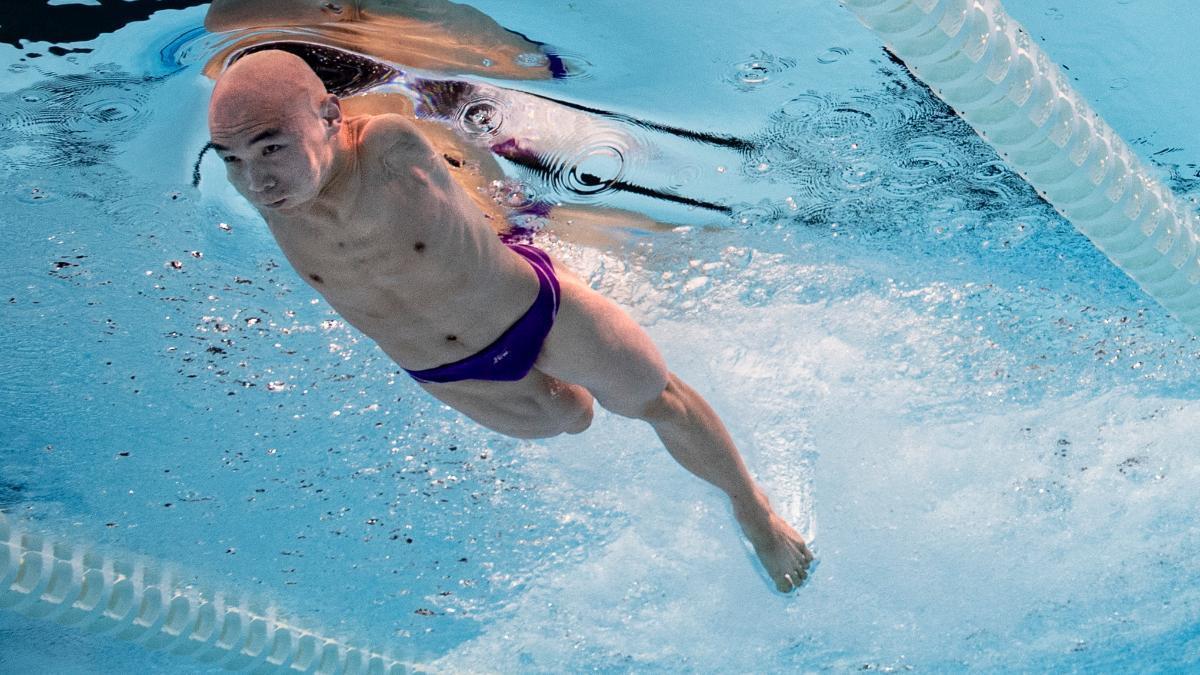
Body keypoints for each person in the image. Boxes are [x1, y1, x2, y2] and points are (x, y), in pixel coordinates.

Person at [206, 49, 813, 592]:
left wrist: (521, 216)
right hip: (452, 374)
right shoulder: (270, 194)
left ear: (331, 118)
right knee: (570, 419)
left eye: (271, 147)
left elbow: (428, 89)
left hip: (534, 312)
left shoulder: (388, 143)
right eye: (231, 159)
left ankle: (754, 514)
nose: (256, 179)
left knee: (654, 399)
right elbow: (249, 118)